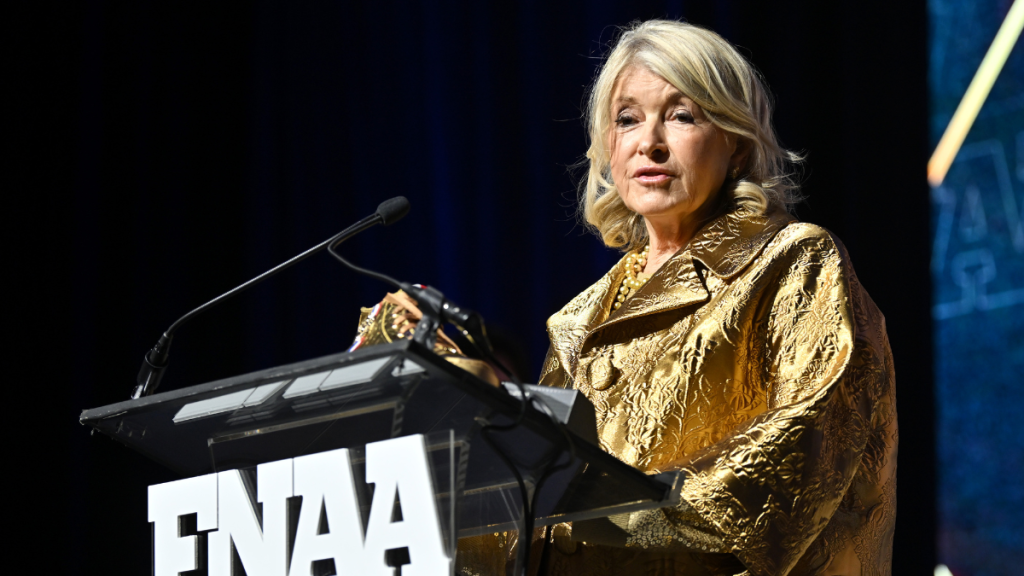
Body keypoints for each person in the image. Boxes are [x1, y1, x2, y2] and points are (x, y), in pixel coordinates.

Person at [360, 19, 897, 576]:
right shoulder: (580, 320)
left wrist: (617, 512)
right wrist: (446, 399)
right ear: (609, 151)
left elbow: (804, 457)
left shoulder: (792, 260)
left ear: (735, 145)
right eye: (627, 119)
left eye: (682, 115)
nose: (650, 142)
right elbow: (527, 512)